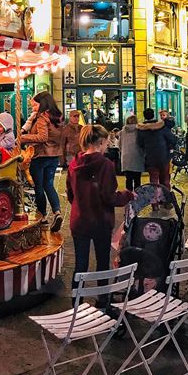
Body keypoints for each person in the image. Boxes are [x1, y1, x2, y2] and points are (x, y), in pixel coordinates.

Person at [66, 124, 135, 304]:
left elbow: (70, 194)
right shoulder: (105, 165)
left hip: (79, 220)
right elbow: (109, 196)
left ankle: (76, 303)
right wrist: (127, 195)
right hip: (99, 221)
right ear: (102, 142)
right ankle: (102, 301)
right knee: (102, 263)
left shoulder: (74, 164)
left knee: (80, 264)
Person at [21, 91, 63, 231]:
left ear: (42, 103)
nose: (33, 107)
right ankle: (57, 212)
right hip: (54, 156)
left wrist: (24, 138)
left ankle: (43, 216)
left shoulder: (42, 117)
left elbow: (42, 137)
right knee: (49, 185)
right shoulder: (58, 116)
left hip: (40, 156)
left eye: (35, 104)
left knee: (38, 187)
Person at [137, 108, 176, 189]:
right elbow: (172, 139)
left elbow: (140, 143)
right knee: (165, 180)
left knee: (153, 181)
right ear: (154, 115)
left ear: (144, 116)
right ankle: (166, 198)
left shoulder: (141, 129)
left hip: (150, 157)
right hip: (164, 157)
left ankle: (155, 200)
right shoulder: (161, 126)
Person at [119, 115, 145, 191]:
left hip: (126, 157)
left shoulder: (122, 131)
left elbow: (119, 145)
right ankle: (137, 197)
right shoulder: (139, 130)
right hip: (137, 156)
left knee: (128, 179)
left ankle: (128, 197)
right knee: (137, 179)